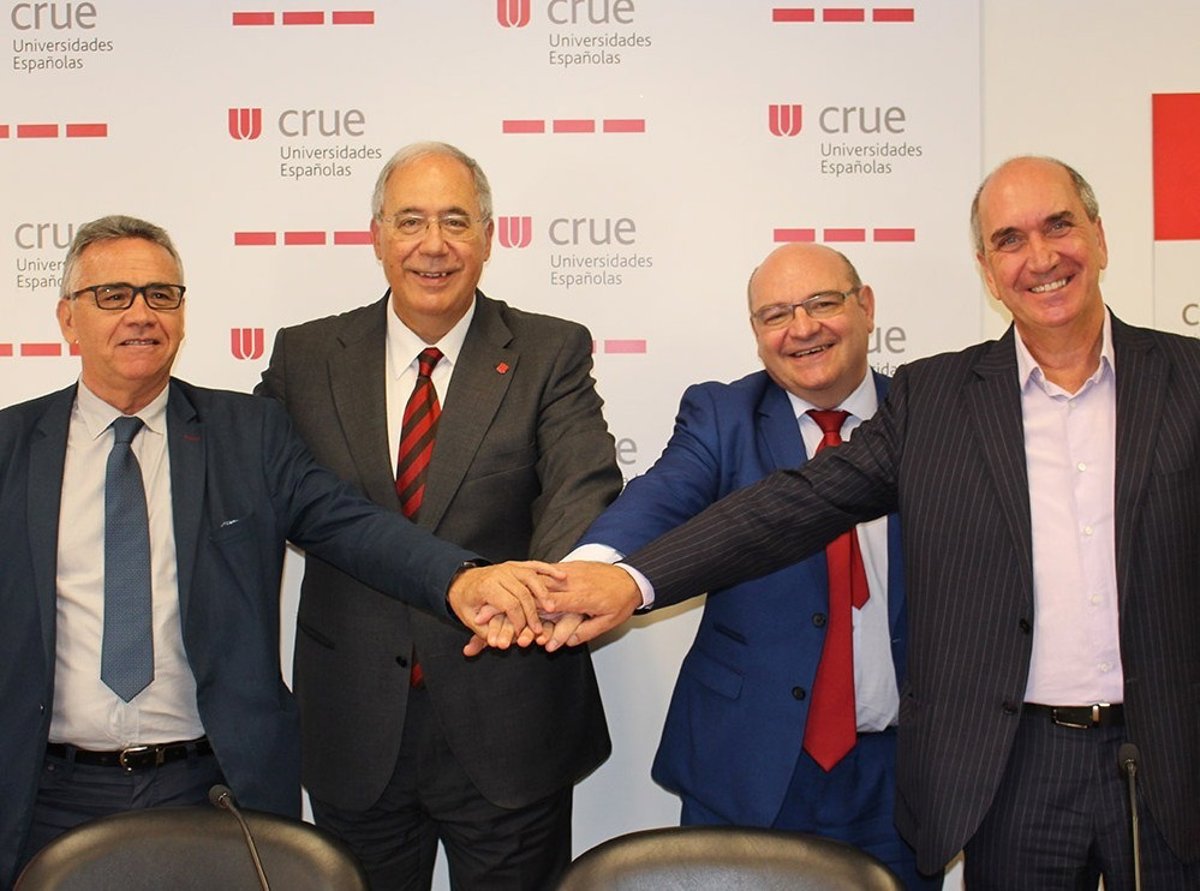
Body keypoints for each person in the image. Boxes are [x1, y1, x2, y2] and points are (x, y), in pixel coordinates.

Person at [536, 157, 1200, 888]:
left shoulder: (1180, 379)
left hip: (1146, 759)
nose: (1039, 258)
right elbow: (784, 506)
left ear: (1099, 237)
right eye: (1010, 240)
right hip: (958, 768)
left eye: (1059, 226)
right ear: (987, 269)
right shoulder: (938, 401)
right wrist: (623, 578)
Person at [0, 215, 556, 889]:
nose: (141, 314)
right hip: (47, 793)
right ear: (68, 318)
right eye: (113, 295)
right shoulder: (10, 447)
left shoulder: (248, 434)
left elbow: (353, 525)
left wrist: (459, 579)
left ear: (182, 314)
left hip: (213, 788)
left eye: (161, 295)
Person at [257, 141, 621, 890]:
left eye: (456, 221)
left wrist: (535, 598)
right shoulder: (305, 356)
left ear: (489, 237)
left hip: (510, 709)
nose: (434, 245)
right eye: (410, 221)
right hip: (354, 723)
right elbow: (279, 497)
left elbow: (580, 485)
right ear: (377, 236)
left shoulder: (551, 349)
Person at [564, 243, 937, 887]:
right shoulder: (723, 415)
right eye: (776, 315)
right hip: (748, 763)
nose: (802, 328)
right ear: (757, 332)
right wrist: (591, 570)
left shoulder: (930, 413)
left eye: (822, 303)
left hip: (902, 771)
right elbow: (660, 498)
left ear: (867, 306)